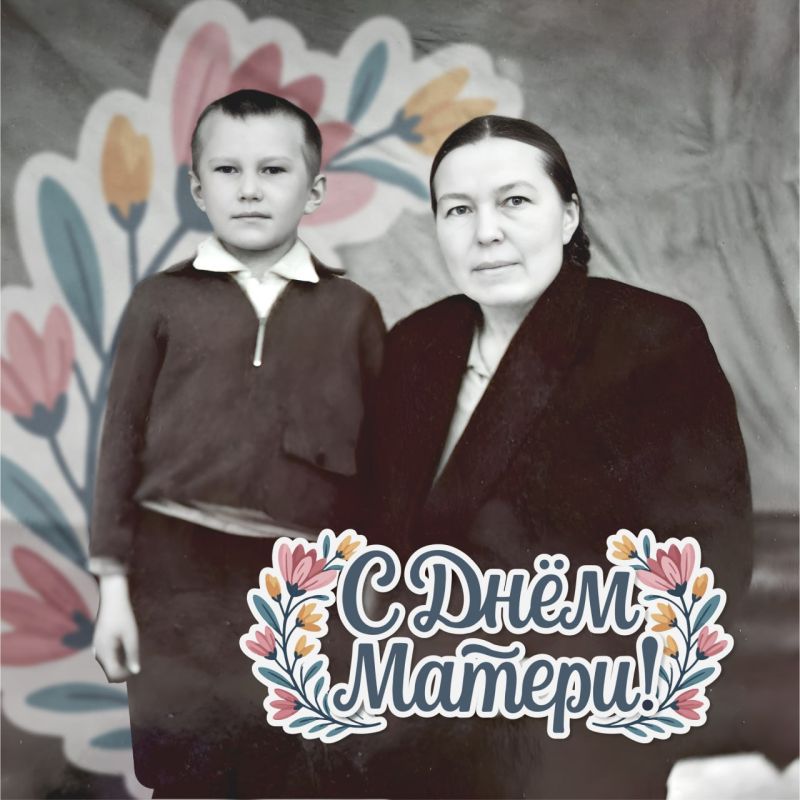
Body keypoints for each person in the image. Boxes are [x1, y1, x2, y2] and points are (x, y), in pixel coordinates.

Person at [363, 115, 753, 798]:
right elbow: (376, 541)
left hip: (578, 727)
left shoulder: (651, 337)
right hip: (417, 719)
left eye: (514, 201)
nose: (486, 232)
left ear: (568, 215)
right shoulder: (415, 344)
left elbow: (709, 559)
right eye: (458, 209)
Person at [90, 89, 384, 798]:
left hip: (302, 581)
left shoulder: (352, 311)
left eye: (273, 171)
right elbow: (118, 446)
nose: (249, 189)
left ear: (314, 191)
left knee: (294, 771)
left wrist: (368, 594)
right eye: (227, 170)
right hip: (173, 570)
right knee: (184, 771)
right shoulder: (161, 300)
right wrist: (114, 592)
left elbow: (384, 466)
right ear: (198, 189)